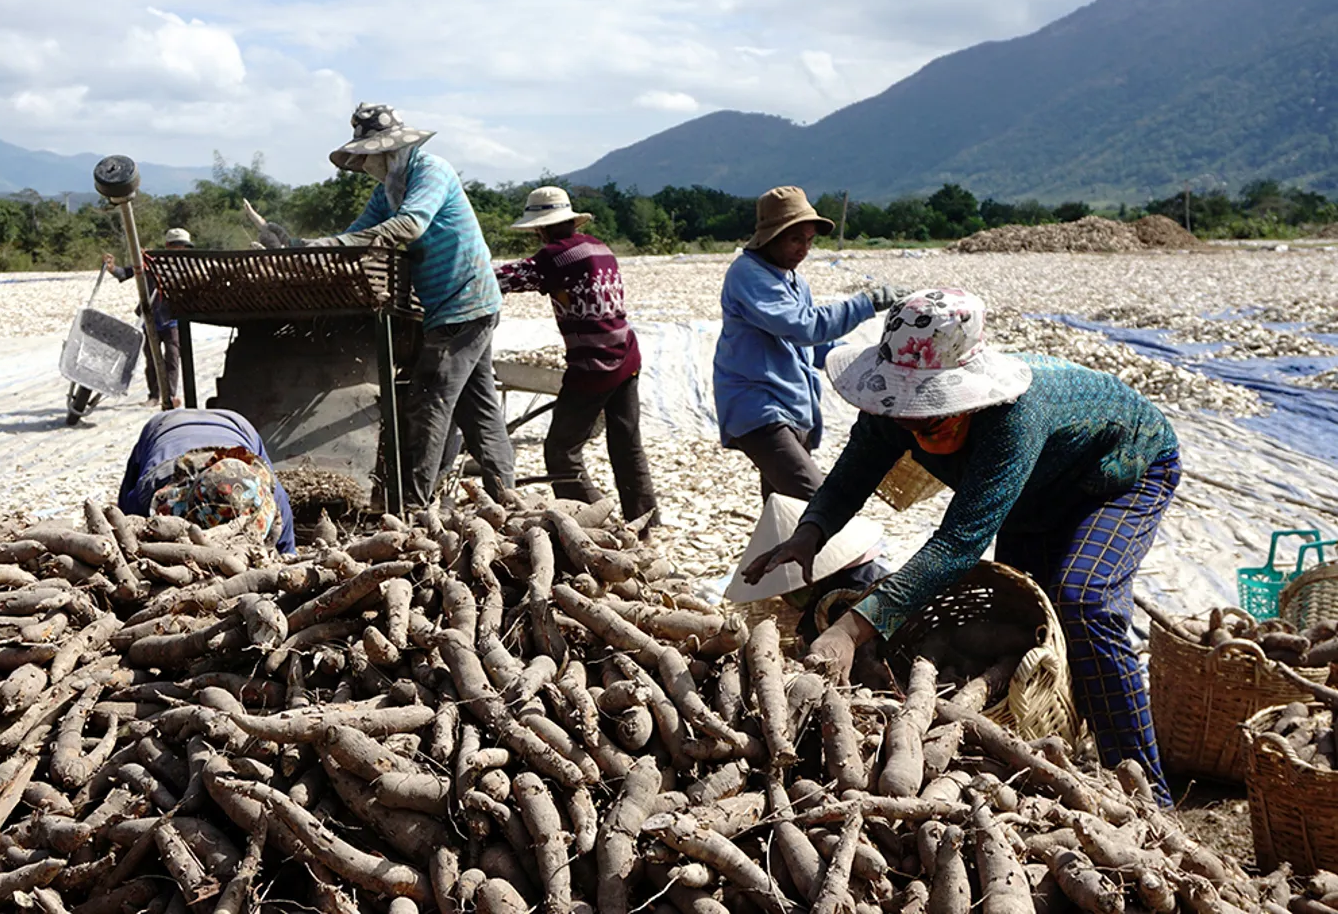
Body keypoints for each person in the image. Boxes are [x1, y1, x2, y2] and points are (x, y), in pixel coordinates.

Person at [742, 288, 1180, 804]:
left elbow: (957, 543)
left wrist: (848, 630)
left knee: (1083, 600)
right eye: (904, 416)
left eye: (928, 416)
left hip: (1121, 472)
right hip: (1035, 491)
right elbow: (853, 471)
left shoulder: (1012, 418)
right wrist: (809, 534)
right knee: (1024, 628)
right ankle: (1057, 754)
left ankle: (1147, 793)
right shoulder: (891, 405)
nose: (910, 425)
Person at [302, 103, 514, 505]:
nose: (365, 166)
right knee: (478, 409)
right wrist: (303, 248)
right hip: (449, 307)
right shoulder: (389, 191)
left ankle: (414, 507)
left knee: (429, 400)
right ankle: (506, 499)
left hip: (464, 301)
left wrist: (336, 244)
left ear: (388, 151)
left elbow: (411, 224)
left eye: (368, 157)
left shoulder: (430, 171)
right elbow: (357, 233)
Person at [713, 186, 901, 501]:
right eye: (795, 239)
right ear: (770, 237)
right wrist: (866, 303)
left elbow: (809, 347)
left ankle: (773, 552)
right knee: (820, 504)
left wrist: (865, 359)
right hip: (760, 409)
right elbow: (804, 327)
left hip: (794, 408)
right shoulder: (748, 274)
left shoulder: (793, 279)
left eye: (810, 241)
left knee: (784, 513)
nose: (804, 249)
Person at [496, 186, 657, 526]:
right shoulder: (598, 246)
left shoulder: (556, 256)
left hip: (594, 365)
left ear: (541, 227)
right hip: (627, 354)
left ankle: (590, 523)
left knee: (560, 451)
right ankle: (645, 525)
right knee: (627, 447)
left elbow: (503, 279)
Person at [118, 408, 295, 554]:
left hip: (236, 425)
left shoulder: (276, 500)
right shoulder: (152, 488)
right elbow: (127, 524)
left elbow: (287, 553)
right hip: (162, 426)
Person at [104, 227, 192, 408]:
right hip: (150, 318)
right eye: (176, 246)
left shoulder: (187, 266)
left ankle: (170, 396)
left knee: (173, 357)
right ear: (168, 246)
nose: (179, 249)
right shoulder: (150, 263)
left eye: (183, 246)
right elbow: (125, 273)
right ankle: (154, 395)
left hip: (173, 319)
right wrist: (112, 268)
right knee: (152, 359)